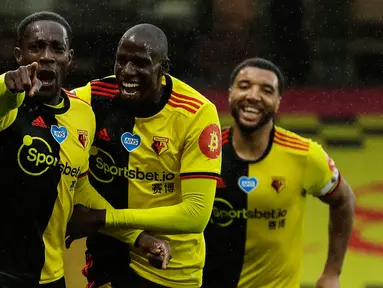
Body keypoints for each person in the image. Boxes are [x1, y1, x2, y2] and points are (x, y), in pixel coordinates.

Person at [0, 12, 170, 288]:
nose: (46, 56)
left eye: (57, 48)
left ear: (69, 57)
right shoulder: (9, 103)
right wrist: (6, 86)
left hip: (52, 275)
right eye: (36, 47)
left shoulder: (83, 115)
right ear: (19, 55)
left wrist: (137, 237)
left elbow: (79, 188)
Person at [68, 23, 222, 288]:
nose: (127, 72)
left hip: (170, 267)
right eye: (121, 61)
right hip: (108, 256)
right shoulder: (92, 98)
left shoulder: (197, 113)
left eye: (140, 63)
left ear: (163, 68)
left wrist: (105, 218)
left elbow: (196, 214)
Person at [202, 58, 355, 288]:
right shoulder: (204, 151)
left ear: (278, 102)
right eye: (244, 86)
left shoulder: (305, 155)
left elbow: (344, 200)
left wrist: (333, 272)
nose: (253, 95)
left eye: (266, 90)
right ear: (230, 93)